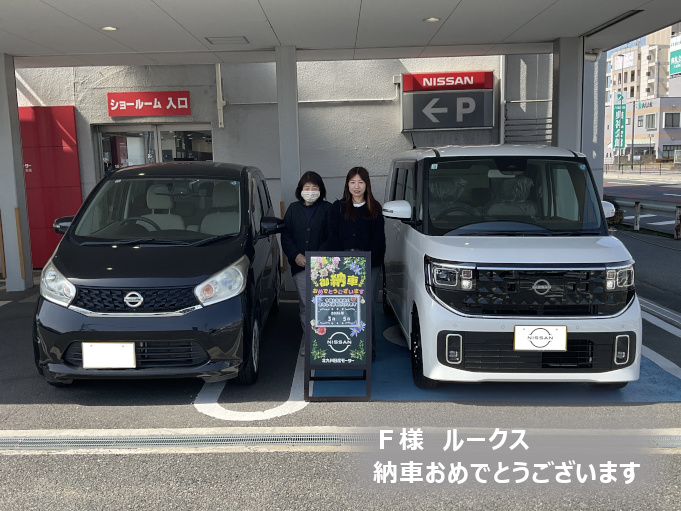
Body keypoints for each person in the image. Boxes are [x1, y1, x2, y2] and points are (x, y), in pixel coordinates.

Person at [326, 167, 386, 361]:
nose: (356, 186)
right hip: (343, 265)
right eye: (352, 182)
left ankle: (368, 350)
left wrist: (369, 261)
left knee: (368, 308)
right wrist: (340, 261)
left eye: (360, 182)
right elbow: (332, 235)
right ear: (347, 184)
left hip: (369, 265)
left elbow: (379, 239)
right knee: (345, 307)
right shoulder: (338, 207)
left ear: (367, 184)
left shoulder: (375, 208)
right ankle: (346, 348)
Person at [281, 171, 332, 356]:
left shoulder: (328, 209)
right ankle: (309, 340)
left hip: (324, 268)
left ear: (320, 190)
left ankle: (324, 339)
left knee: (323, 304)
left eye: (314, 188)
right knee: (306, 305)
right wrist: (296, 255)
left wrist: (318, 257)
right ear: (300, 190)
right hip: (300, 266)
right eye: (307, 187)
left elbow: (332, 236)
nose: (310, 191)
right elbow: (286, 235)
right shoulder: (293, 209)